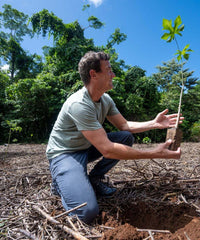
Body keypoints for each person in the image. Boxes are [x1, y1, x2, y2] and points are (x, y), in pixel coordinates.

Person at [46, 51, 183, 224]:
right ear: (93, 74)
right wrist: (155, 152)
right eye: (109, 70)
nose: (113, 74)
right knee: (86, 212)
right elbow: (108, 149)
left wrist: (154, 123)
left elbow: (125, 126)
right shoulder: (79, 104)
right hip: (64, 153)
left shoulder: (106, 100)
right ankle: (60, 184)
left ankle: (94, 179)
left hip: (86, 147)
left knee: (125, 137)